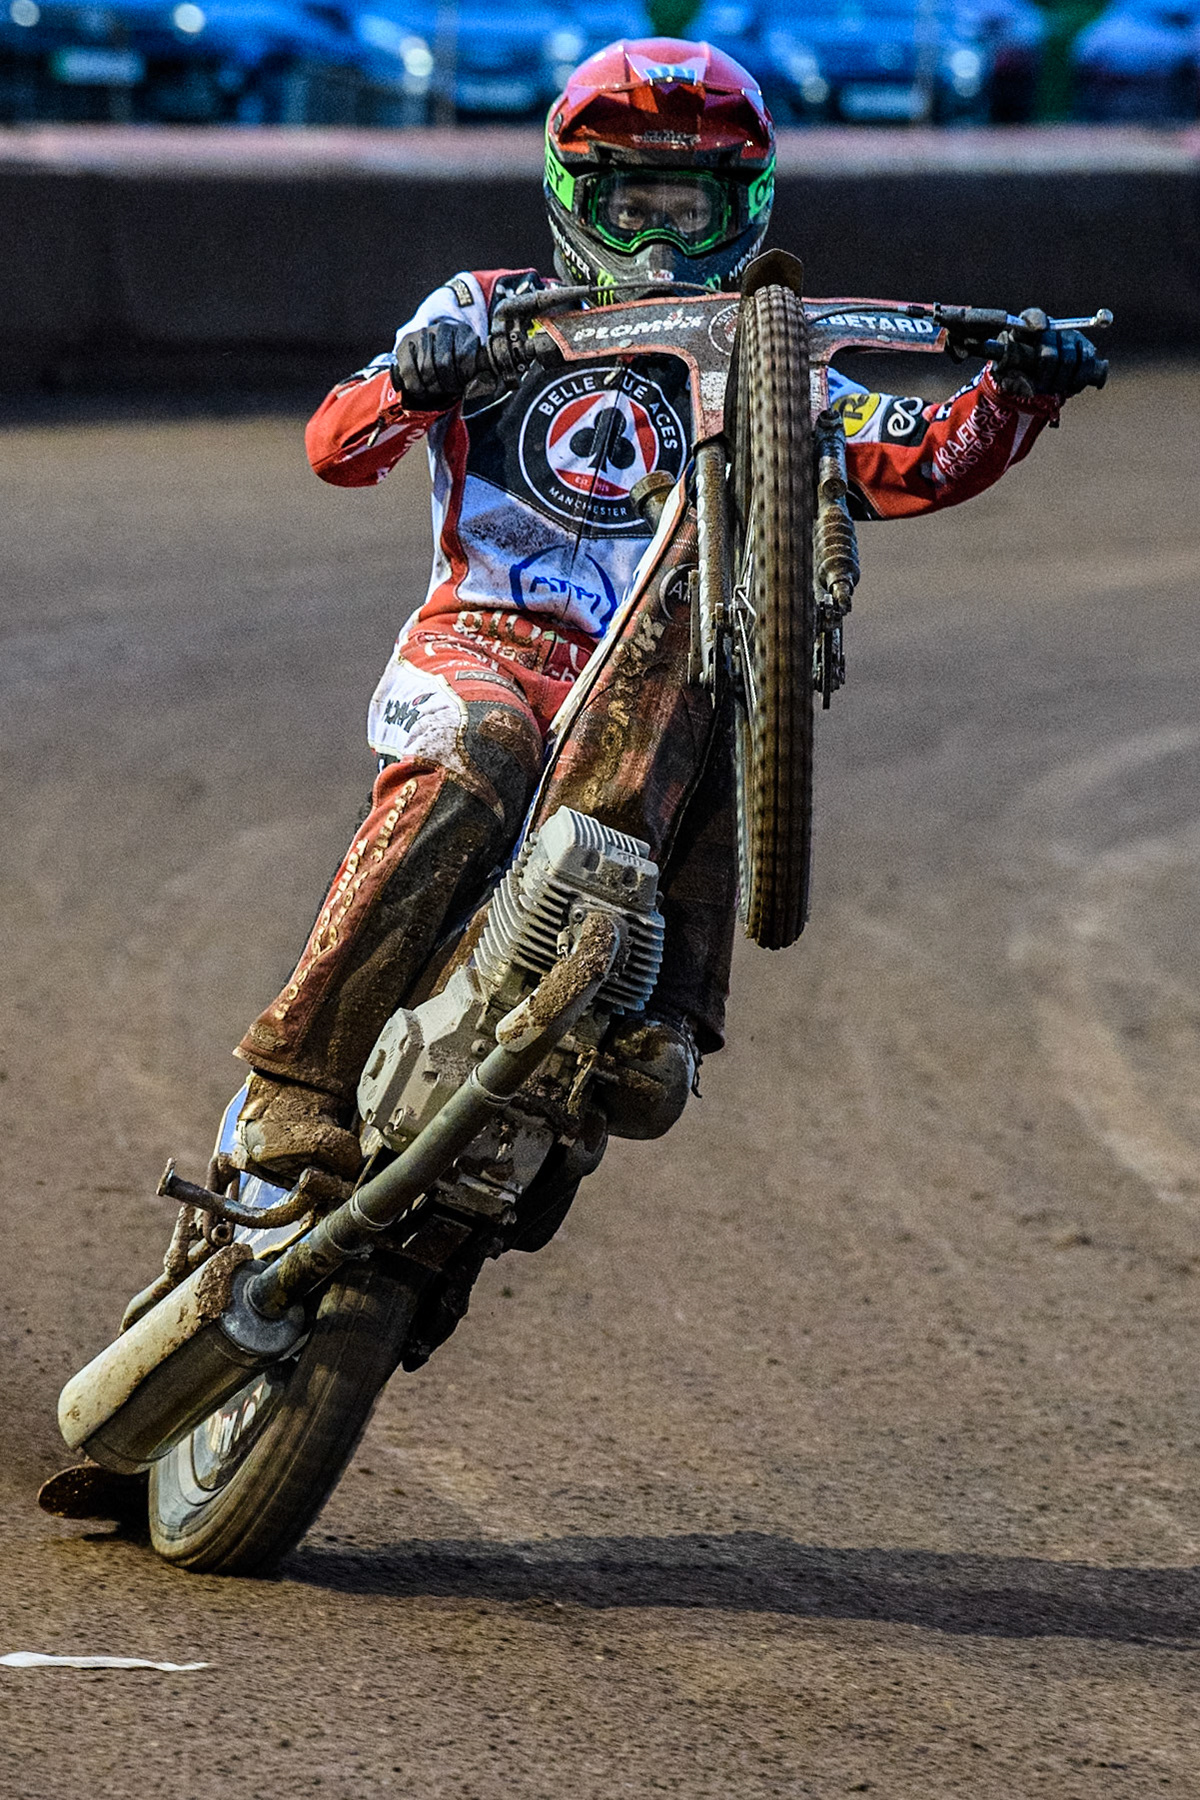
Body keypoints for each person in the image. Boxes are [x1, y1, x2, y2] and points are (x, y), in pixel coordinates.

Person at [230, 38, 1103, 1186]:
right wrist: (418, 376)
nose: (656, 236)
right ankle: (291, 1085)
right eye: (630, 200)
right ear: (573, 195)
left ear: (741, 209)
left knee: (723, 682)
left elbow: (916, 455)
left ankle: (668, 1020)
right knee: (481, 746)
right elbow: (336, 445)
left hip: (646, 661)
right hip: (481, 641)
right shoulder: (488, 308)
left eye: (687, 207)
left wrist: (1016, 387)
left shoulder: (764, 350)